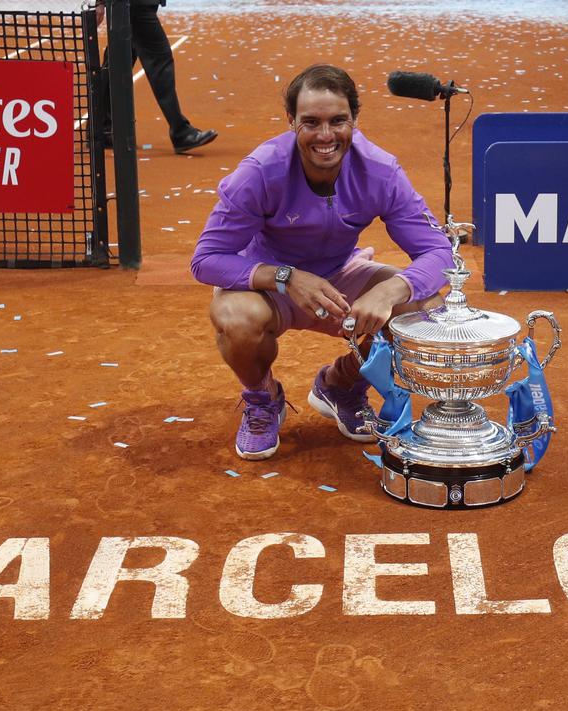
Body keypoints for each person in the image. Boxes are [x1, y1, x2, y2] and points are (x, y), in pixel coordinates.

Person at [191, 64, 453, 460]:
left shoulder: (380, 171)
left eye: (338, 121)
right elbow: (206, 260)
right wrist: (285, 277)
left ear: (355, 120)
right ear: (292, 122)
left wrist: (388, 290)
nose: (326, 136)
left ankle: (342, 383)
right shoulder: (260, 173)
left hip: (340, 277)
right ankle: (262, 398)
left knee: (426, 308)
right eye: (311, 122)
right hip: (270, 285)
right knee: (235, 318)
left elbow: (438, 252)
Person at [97, 0, 216, 153]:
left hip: (130, 5)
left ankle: (102, 128)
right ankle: (181, 132)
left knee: (117, 60)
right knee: (160, 60)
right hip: (134, 5)